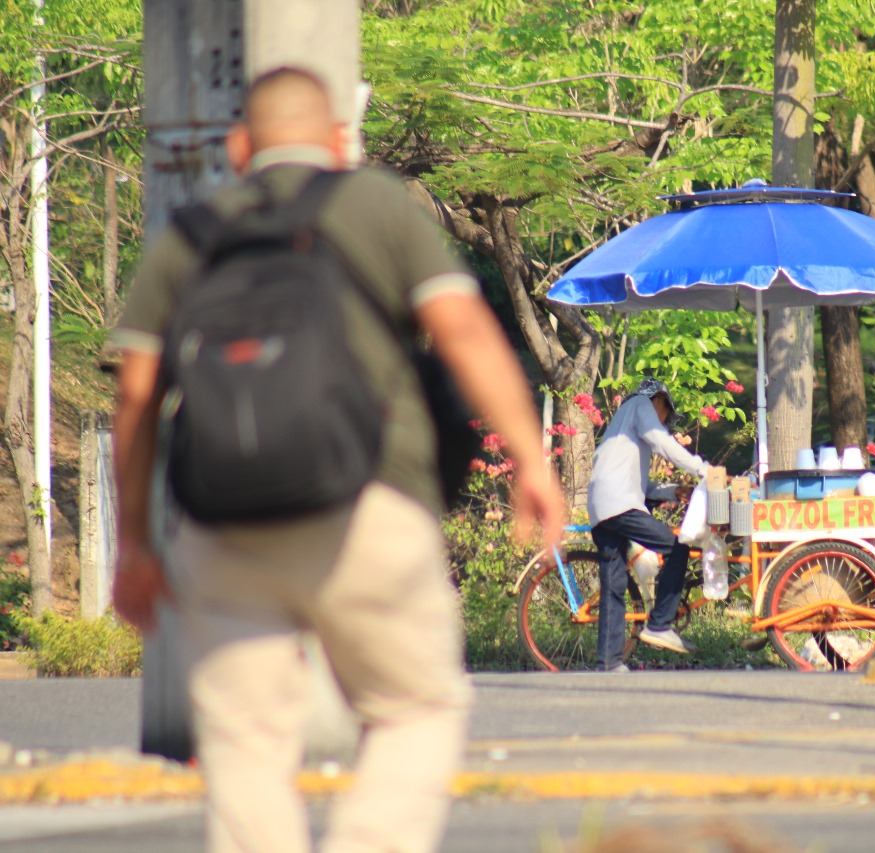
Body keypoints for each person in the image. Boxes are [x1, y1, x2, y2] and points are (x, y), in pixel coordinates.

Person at [111, 67, 565, 853]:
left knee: (245, 744)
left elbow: (137, 397)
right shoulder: (379, 203)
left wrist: (137, 543)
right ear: (337, 140)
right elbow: (461, 330)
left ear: (239, 146)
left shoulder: (190, 231)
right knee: (414, 708)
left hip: (222, 525)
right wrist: (533, 459)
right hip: (370, 505)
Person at [587, 379, 709, 672]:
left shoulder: (620, 427)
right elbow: (663, 443)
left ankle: (609, 661)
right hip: (619, 505)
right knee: (677, 547)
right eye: (667, 414)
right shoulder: (641, 405)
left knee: (614, 585)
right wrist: (703, 469)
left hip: (602, 508)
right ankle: (658, 624)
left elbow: (639, 487)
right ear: (659, 401)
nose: (665, 421)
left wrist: (671, 492)